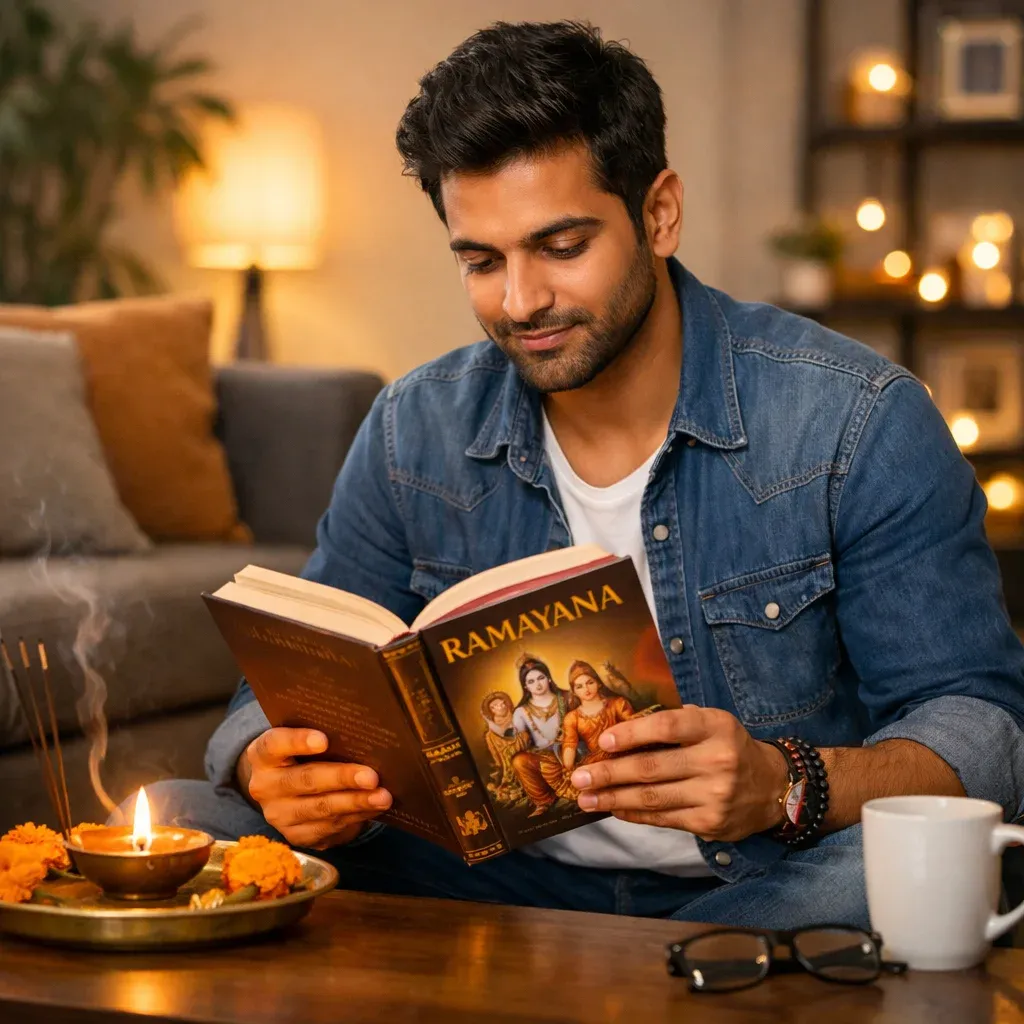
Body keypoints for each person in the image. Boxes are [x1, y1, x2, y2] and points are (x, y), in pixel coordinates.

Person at [144, 19, 1024, 927]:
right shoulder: (416, 428)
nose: (521, 302)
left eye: (561, 247)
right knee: (184, 817)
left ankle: (603, 965)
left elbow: (984, 731)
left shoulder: (854, 419)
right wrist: (271, 766)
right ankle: (643, 977)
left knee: (891, 877)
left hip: (756, 879)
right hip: (490, 879)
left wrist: (783, 784)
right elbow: (285, 687)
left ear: (660, 213)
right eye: (482, 261)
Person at [480, 690, 529, 804]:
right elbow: (497, 755)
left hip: (525, 754)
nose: (500, 707)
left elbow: (524, 737)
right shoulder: (490, 734)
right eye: (494, 707)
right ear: (490, 711)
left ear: (507, 704)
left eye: (502, 704)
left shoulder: (518, 717)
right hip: (507, 765)